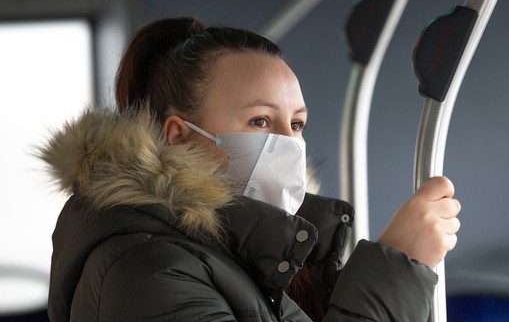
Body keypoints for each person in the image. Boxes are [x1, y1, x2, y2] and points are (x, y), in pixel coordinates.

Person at [38, 17, 461, 321]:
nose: (289, 143)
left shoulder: (268, 254)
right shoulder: (145, 269)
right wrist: (397, 268)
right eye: (260, 121)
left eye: (296, 124)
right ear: (178, 135)